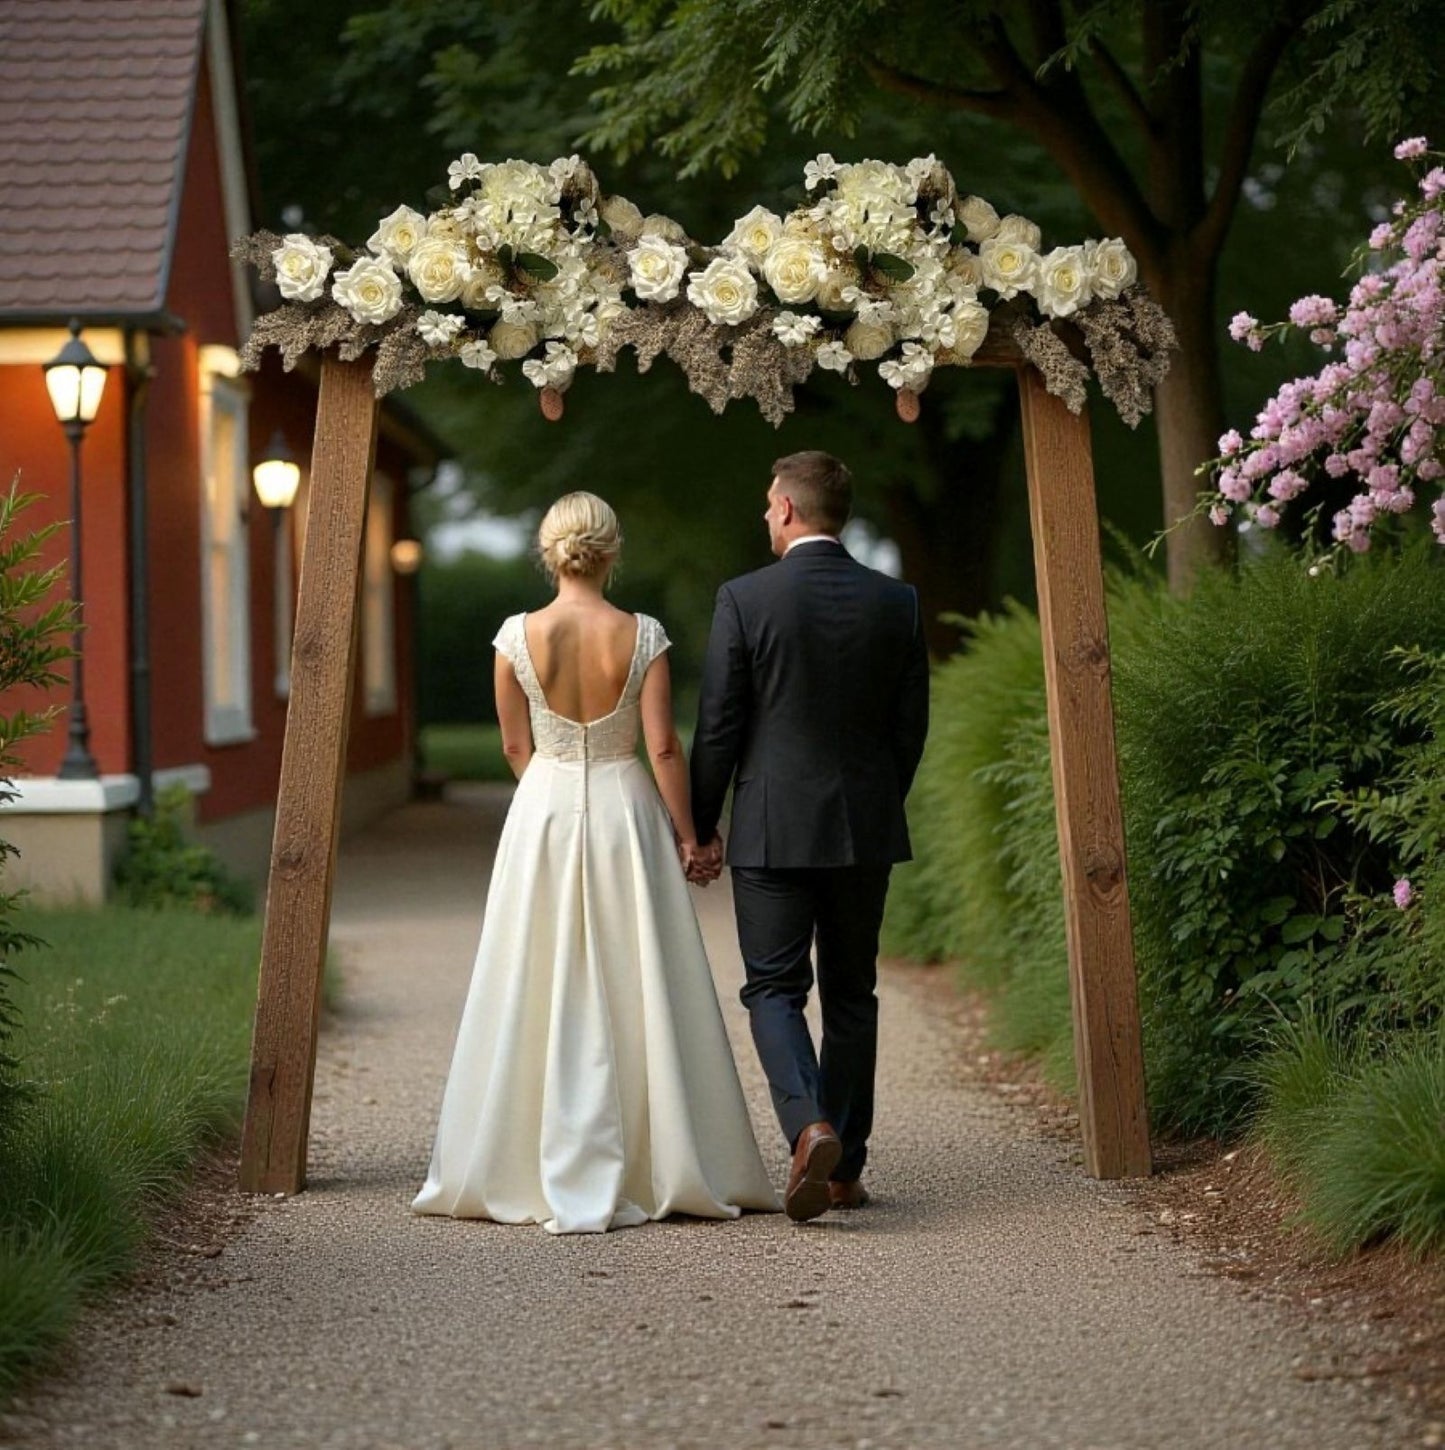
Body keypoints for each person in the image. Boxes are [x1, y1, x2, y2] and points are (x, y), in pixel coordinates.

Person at [412, 492, 778, 1234]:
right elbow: (664, 747)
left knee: (532, 970)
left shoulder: (514, 637)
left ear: (550, 553)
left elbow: (515, 747)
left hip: (542, 811)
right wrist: (692, 835)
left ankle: (519, 1157)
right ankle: (660, 1155)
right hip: (625, 810)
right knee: (636, 970)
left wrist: (547, 799)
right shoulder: (641, 635)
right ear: (612, 552)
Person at [689, 451, 930, 1222]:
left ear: (789, 510)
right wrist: (874, 800)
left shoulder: (744, 599)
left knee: (772, 988)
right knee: (852, 993)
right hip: (863, 824)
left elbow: (719, 725)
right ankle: (841, 1173)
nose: (765, 515)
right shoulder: (897, 601)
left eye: (768, 505)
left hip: (770, 826)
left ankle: (807, 1125)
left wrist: (700, 824)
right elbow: (908, 728)